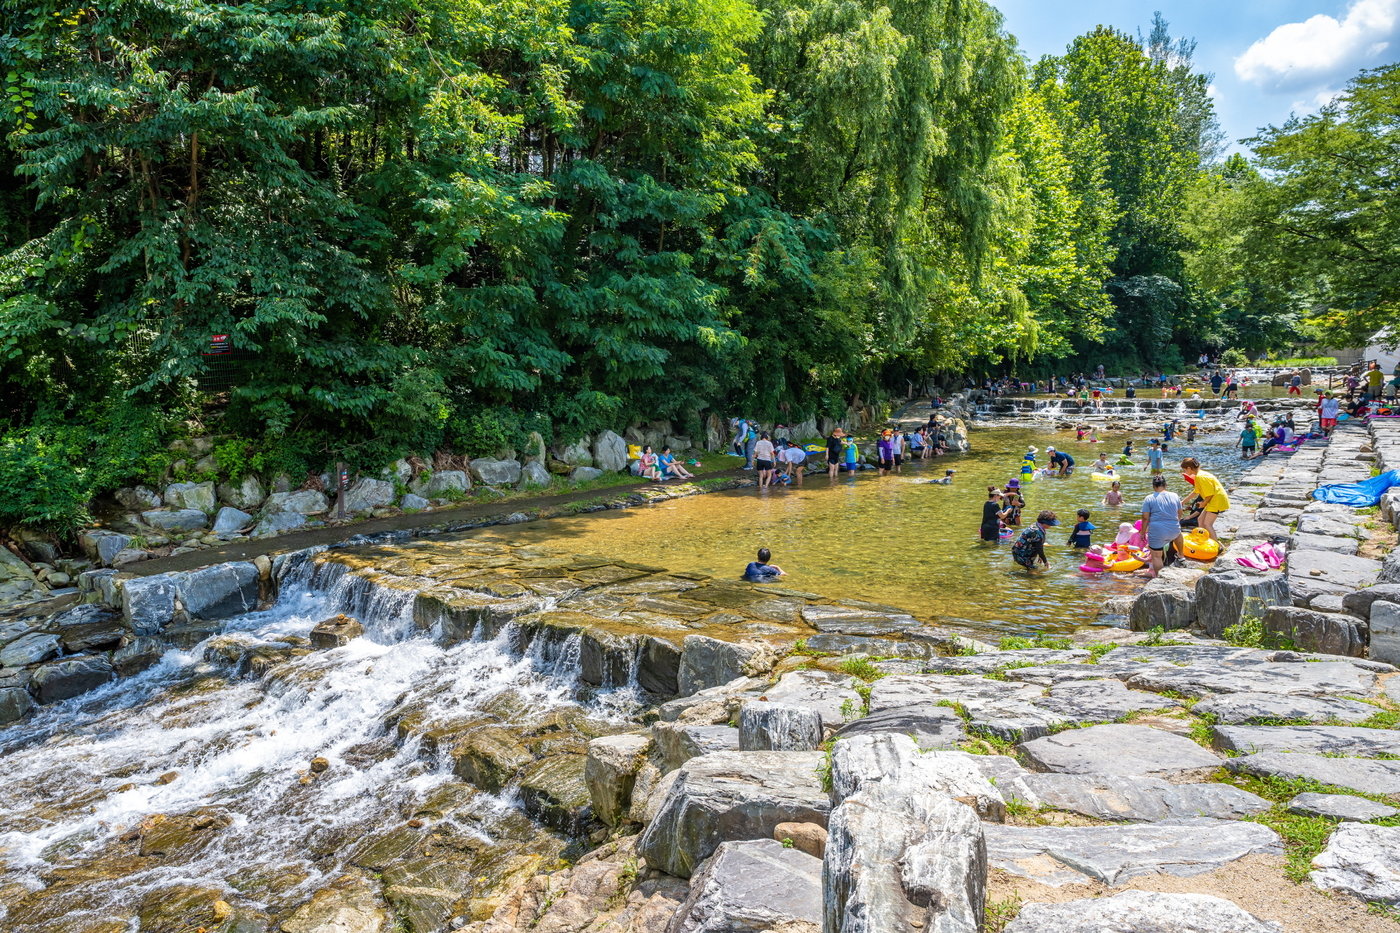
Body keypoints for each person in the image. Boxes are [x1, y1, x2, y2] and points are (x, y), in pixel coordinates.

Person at [1141, 475, 1183, 579]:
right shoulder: (1175, 495)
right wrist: (1175, 523)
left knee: (1156, 556)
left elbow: (1145, 518)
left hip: (1158, 532)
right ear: (1166, 485)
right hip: (1174, 530)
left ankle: (1159, 578)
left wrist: (1143, 532)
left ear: (1153, 486)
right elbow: (1180, 513)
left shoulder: (1149, 498)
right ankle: (1181, 555)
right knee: (1178, 533)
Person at [1180, 456, 1229, 543]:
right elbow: (1196, 492)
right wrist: (1183, 502)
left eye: (1184, 470)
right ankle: (1204, 541)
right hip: (1213, 500)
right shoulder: (1199, 475)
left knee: (1207, 524)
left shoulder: (1200, 477)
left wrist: (1203, 503)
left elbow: (1210, 494)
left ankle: (1217, 545)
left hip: (1216, 500)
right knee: (1200, 520)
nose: (1184, 472)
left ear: (1189, 468)